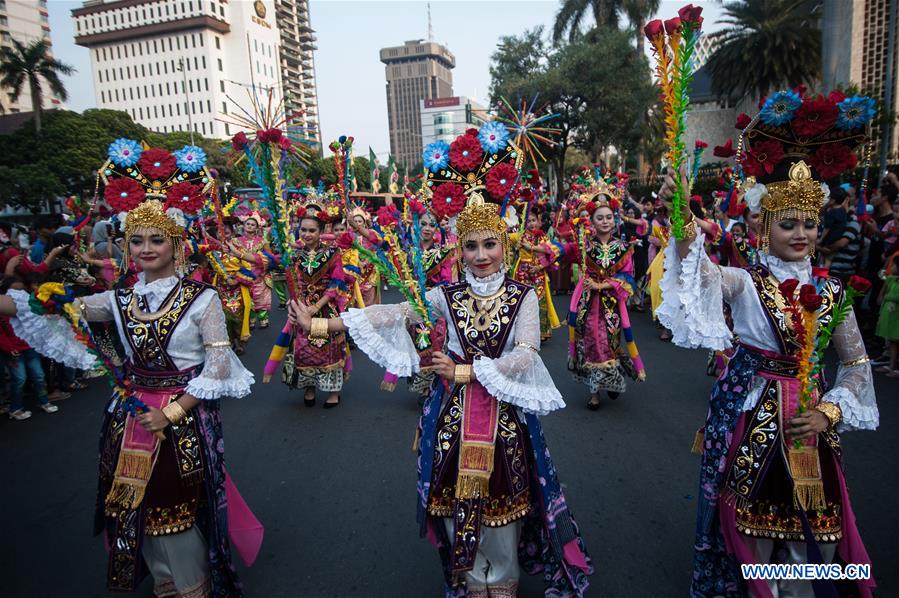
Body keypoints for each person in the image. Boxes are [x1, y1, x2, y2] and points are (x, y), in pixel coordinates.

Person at [289, 193, 592, 597]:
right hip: (452, 416)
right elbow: (395, 313)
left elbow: (526, 354)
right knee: (450, 501)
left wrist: (465, 370)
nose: (481, 254)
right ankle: (469, 578)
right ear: (459, 250)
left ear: (503, 244)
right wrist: (322, 326)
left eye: (489, 244)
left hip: (503, 417)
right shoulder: (445, 297)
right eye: (471, 245)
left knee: (503, 502)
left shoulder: (523, 296)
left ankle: (501, 582)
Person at [0, 141, 256, 597]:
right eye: (135, 240)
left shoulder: (203, 299)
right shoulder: (118, 299)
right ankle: (164, 583)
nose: (144, 248)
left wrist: (171, 413)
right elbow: (45, 310)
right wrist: (37, 298)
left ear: (177, 244)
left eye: (156, 239)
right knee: (133, 504)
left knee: (177, 502)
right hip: (129, 417)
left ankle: (193, 584)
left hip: (183, 416)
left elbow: (217, 368)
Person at [657, 91, 878, 597]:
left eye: (809, 224)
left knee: (814, 542)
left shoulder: (833, 291)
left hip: (811, 426)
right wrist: (681, 217)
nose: (800, 233)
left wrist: (831, 413)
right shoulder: (746, 281)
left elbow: (858, 363)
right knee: (751, 533)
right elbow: (701, 273)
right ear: (763, 226)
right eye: (788, 223)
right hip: (753, 419)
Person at [565, 185, 647, 409]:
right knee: (592, 343)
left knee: (610, 344)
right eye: (599, 217)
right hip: (588, 305)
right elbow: (563, 253)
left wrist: (602, 285)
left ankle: (610, 380)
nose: (604, 221)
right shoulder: (585, 246)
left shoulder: (623, 248)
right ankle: (594, 393)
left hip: (611, 306)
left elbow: (628, 278)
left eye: (608, 217)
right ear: (591, 220)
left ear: (615, 219)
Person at [282, 205, 356, 408]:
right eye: (303, 230)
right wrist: (295, 304)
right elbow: (293, 283)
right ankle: (309, 387)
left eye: (312, 230)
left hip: (325, 308)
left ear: (322, 232)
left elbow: (336, 283)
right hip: (302, 307)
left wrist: (316, 306)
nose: (307, 234)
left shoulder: (333, 253)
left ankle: (333, 392)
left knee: (331, 348)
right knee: (303, 348)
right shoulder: (294, 255)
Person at [0, 275, 59, 420]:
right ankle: (16, 408)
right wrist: (9, 348)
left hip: (30, 347)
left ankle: (44, 401)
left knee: (39, 376)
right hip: (14, 351)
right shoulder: (4, 311)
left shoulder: (29, 307)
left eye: (21, 292)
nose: (18, 295)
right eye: (13, 292)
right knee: (20, 379)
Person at [510, 202, 562, 342]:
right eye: (528, 221)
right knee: (521, 302)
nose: (531, 224)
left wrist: (539, 267)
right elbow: (504, 238)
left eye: (534, 220)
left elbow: (553, 252)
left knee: (539, 301)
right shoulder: (519, 236)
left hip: (538, 273)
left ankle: (541, 332)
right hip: (521, 272)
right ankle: (522, 333)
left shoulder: (543, 237)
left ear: (539, 221)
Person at [875, 256, 899, 377]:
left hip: (896, 314)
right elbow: (881, 274)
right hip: (890, 313)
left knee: (896, 339)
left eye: (894, 265)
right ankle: (891, 365)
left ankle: (895, 367)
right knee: (892, 339)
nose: (892, 267)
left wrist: (887, 297)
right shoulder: (891, 279)